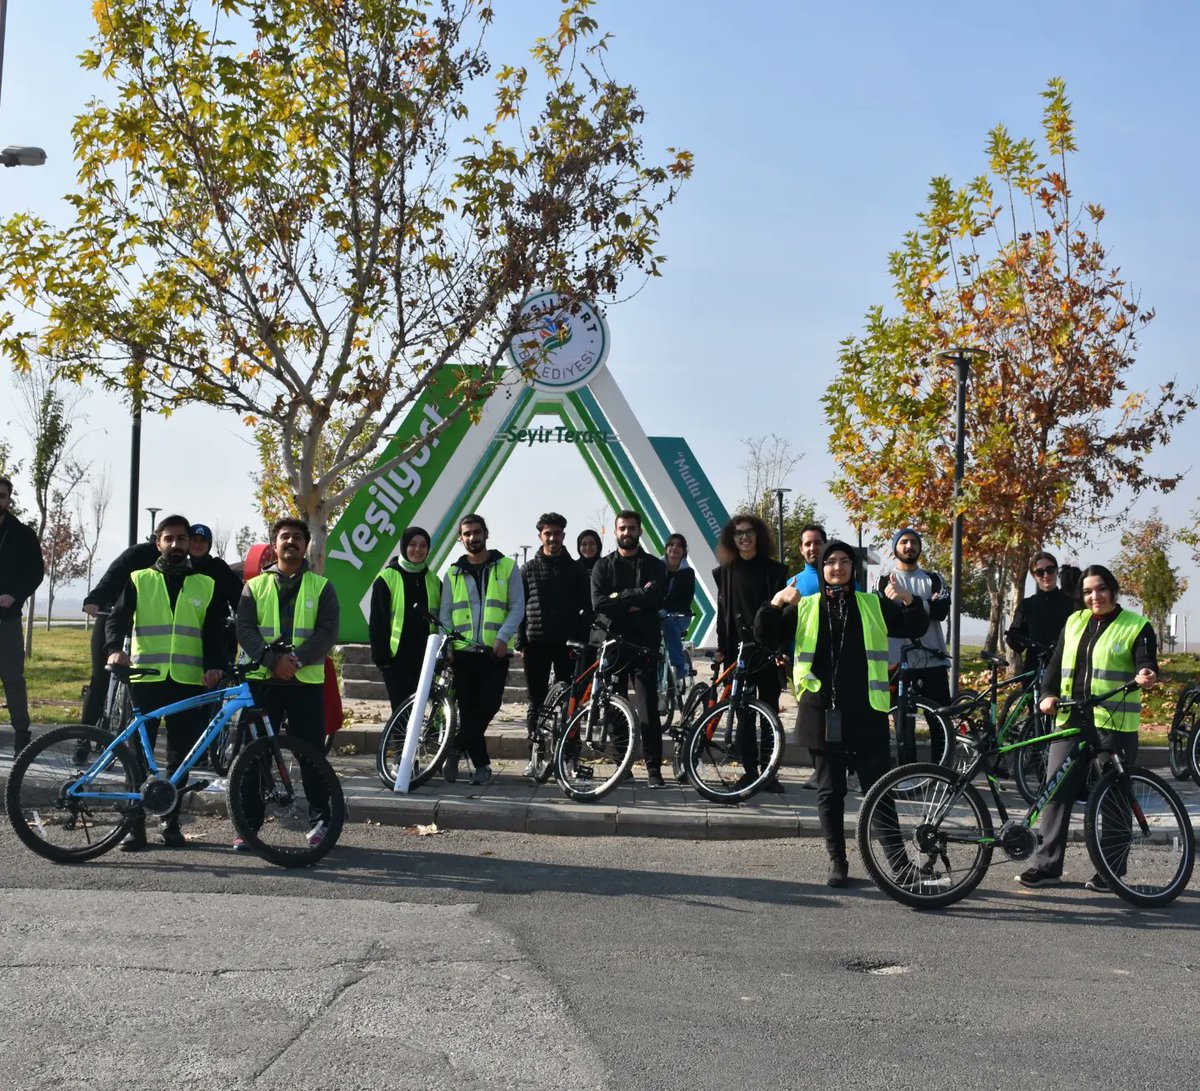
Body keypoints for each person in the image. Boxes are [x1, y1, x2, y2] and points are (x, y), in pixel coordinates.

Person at [757, 540, 928, 886]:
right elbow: (765, 634)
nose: (838, 567)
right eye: (830, 562)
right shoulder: (805, 607)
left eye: (845, 561)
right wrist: (776, 603)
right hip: (822, 712)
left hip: (867, 712)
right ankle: (838, 861)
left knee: (880, 791)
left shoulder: (872, 604)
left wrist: (908, 600)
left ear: (854, 567)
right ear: (821, 569)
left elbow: (915, 626)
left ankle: (899, 864)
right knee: (830, 792)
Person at [1016, 565, 1157, 891]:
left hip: (1113, 724)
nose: (1095, 596)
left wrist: (1147, 672)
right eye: (1089, 591)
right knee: (1054, 791)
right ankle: (1047, 865)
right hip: (1070, 719)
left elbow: (1146, 660)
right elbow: (1055, 665)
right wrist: (1047, 694)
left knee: (1113, 799)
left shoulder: (1136, 626)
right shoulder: (1075, 621)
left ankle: (1110, 872)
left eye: (1101, 588)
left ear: (1114, 589)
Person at [105, 515, 226, 849]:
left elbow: (215, 631)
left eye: (182, 539)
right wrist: (115, 650)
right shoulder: (139, 579)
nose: (176, 545)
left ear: (190, 544)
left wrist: (216, 665)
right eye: (169, 538)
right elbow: (117, 619)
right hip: (145, 677)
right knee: (138, 758)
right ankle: (135, 825)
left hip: (188, 679)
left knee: (181, 755)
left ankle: (171, 822)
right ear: (157, 542)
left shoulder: (206, 584)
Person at [236, 517, 341, 849]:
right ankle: (248, 826)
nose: (291, 542)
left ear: (307, 543)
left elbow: (328, 632)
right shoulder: (254, 586)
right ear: (274, 543)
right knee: (253, 759)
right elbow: (245, 629)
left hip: (304, 684)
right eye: (285, 537)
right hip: (261, 684)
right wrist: (271, 660)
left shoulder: (322, 586)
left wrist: (295, 661)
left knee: (311, 756)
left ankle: (320, 822)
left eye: (297, 536)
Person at [438, 513, 524, 786]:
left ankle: (453, 747)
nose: (473, 538)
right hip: (462, 653)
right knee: (469, 709)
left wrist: (502, 637)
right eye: (467, 534)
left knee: (489, 705)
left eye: (477, 532)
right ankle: (482, 767)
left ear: (486, 534)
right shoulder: (452, 573)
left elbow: (517, 606)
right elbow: (446, 614)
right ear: (460, 539)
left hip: (494, 651)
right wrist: (447, 645)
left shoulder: (508, 567)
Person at [591, 509, 668, 787]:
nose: (627, 533)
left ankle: (654, 770)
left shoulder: (653, 565)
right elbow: (599, 602)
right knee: (614, 708)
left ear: (639, 531)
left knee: (647, 709)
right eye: (622, 528)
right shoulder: (603, 566)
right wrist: (634, 599)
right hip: (613, 644)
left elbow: (656, 597)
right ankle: (622, 765)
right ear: (615, 532)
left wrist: (619, 599)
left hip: (644, 644)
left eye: (632, 528)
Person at [715, 514, 788, 791]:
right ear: (731, 540)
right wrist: (723, 649)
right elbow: (723, 616)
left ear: (758, 536)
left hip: (767, 651)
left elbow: (783, 617)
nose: (744, 537)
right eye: (738, 533)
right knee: (744, 714)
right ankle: (749, 770)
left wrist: (780, 650)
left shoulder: (775, 571)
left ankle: (770, 772)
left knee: (769, 712)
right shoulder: (725, 572)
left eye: (749, 532)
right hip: (738, 652)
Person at [518, 513, 590, 777]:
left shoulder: (576, 569)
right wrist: (521, 639)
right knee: (536, 702)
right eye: (547, 533)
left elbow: (587, 608)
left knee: (570, 703)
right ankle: (535, 756)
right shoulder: (527, 570)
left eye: (557, 533)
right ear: (540, 536)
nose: (552, 538)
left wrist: (582, 640)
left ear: (563, 536)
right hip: (535, 643)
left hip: (568, 644)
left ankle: (569, 757)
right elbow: (519, 608)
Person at [369, 526, 442, 710]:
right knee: (402, 711)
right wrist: (382, 658)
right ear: (403, 546)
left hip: (427, 658)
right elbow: (378, 621)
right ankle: (397, 741)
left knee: (425, 711)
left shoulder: (433, 579)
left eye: (423, 545)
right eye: (412, 544)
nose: (418, 550)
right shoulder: (386, 578)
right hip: (396, 660)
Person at [876, 527, 950, 708]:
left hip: (933, 661)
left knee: (940, 724)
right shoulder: (883, 580)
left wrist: (907, 599)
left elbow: (941, 611)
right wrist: (924, 605)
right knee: (902, 725)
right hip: (897, 664)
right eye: (904, 542)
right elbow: (885, 618)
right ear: (895, 548)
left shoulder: (934, 579)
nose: (909, 546)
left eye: (914, 542)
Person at [0, 475, 45, 755]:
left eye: (2, 496)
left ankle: (21, 734)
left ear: (8, 499)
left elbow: (35, 572)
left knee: (13, 678)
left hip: (7, 618)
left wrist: (15, 596)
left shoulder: (22, 534)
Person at [1004, 551, 1076, 675]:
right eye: (1040, 572)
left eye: (1050, 569)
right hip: (1034, 672)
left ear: (1056, 571)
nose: (1046, 575)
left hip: (1064, 671)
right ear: (1034, 576)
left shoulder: (1072, 604)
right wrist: (1017, 639)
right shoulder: (1027, 605)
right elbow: (1015, 640)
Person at [660, 532, 695, 685]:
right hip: (658, 615)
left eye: (679, 545)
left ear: (684, 550)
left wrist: (666, 610)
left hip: (681, 615)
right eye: (671, 544)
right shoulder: (657, 567)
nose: (675, 548)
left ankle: (680, 664)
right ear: (666, 548)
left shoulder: (687, 572)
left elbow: (686, 598)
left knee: (669, 624)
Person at [786, 523, 827, 596]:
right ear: (801, 549)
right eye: (808, 544)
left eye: (817, 543)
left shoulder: (842, 579)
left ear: (826, 545)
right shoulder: (791, 585)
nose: (813, 548)